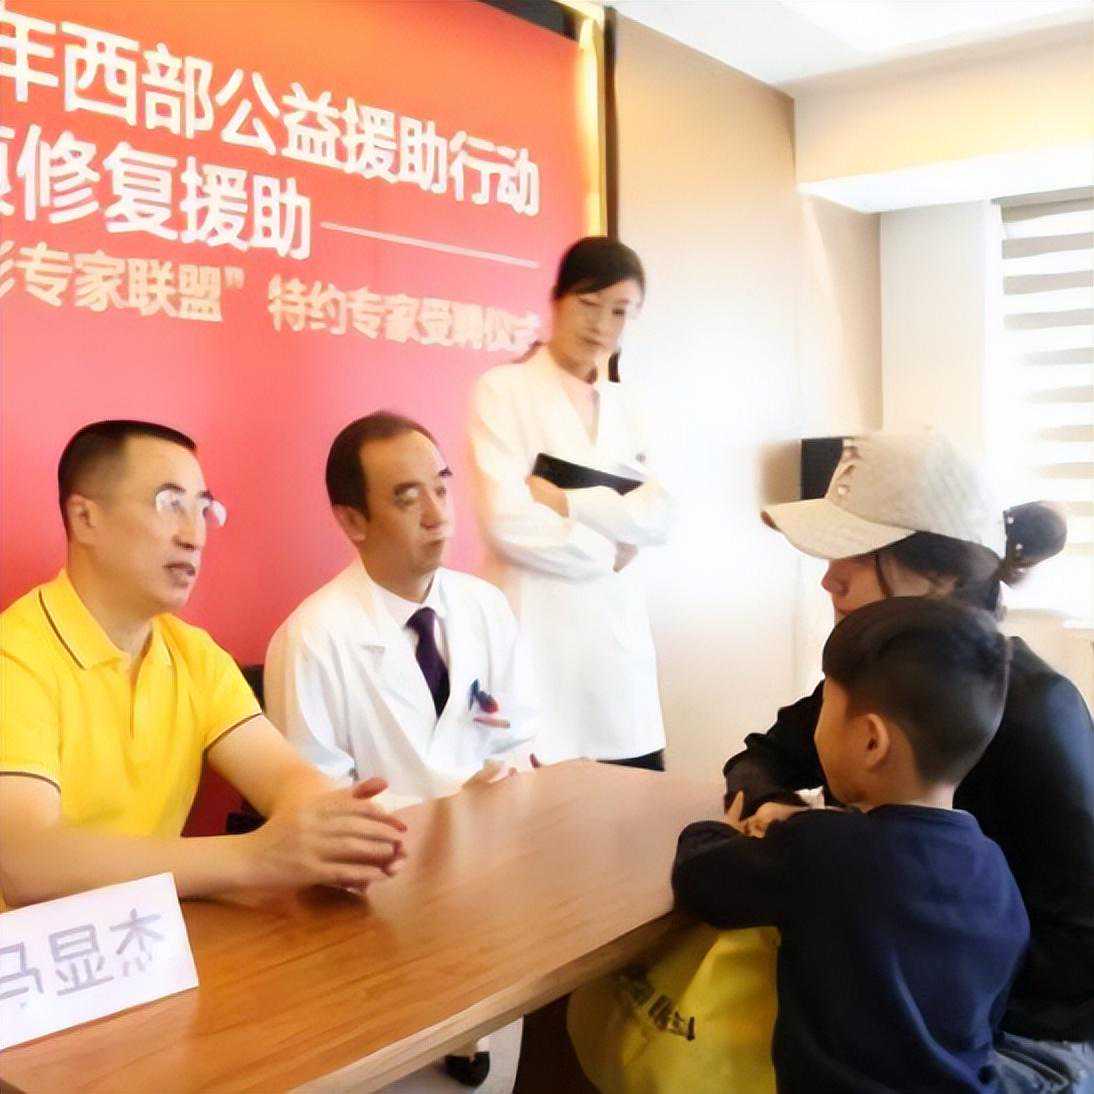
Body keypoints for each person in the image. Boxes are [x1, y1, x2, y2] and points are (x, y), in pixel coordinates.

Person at [723, 430, 1094, 1089]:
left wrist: (908, 948)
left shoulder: (1040, 714)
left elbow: (1080, 950)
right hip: (895, 1000)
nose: (829, 577)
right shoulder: (871, 683)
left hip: (1023, 1036)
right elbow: (760, 758)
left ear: (941, 576)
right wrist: (773, 808)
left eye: (858, 554)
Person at [0, 420, 406, 912]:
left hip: (147, 936)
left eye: (203, 509)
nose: (195, 536)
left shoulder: (194, 654)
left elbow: (283, 776)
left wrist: (334, 827)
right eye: (170, 504)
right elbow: (25, 862)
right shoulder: (16, 655)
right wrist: (255, 856)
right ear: (85, 518)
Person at [265, 411, 535, 1087]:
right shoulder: (311, 638)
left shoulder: (485, 607)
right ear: (353, 520)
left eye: (442, 487)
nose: (438, 515)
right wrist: (442, 821)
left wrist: (498, 790)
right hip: (384, 892)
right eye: (408, 498)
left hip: (493, 877)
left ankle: (472, 1031)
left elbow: (517, 735)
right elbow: (317, 807)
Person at [675, 596, 1030, 1093]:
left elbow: (699, 881)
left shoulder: (823, 849)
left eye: (825, 706)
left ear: (870, 742)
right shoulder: (995, 870)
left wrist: (721, 832)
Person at [468, 236, 672, 768]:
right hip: (536, 636)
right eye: (588, 304)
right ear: (556, 300)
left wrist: (565, 503)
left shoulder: (631, 405)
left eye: (620, 311)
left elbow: (659, 516)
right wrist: (612, 549)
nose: (602, 324)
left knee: (631, 800)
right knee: (539, 794)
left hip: (614, 651)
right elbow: (507, 523)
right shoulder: (503, 390)